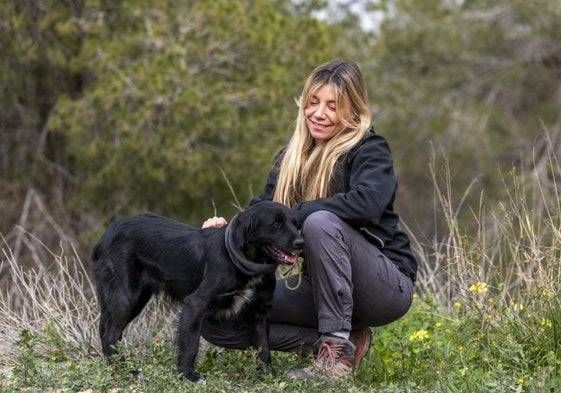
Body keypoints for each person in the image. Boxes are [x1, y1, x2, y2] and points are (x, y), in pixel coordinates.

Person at [201, 59, 417, 381]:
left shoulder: (370, 150)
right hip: (322, 290)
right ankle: (341, 344)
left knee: (320, 222)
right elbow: (261, 212)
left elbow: (368, 204)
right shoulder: (289, 158)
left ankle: (334, 357)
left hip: (384, 285)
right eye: (313, 102)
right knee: (216, 319)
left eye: (333, 106)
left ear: (353, 109)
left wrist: (298, 213)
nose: (319, 113)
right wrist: (225, 232)